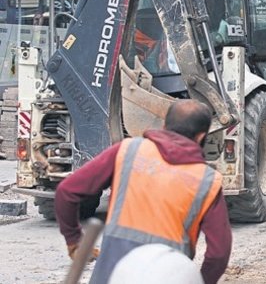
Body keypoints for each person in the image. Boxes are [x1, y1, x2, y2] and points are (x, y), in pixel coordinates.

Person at [54, 100, 232, 284]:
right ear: (201, 136)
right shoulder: (206, 180)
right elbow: (219, 253)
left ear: (164, 125)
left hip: (110, 274)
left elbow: (67, 192)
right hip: (168, 276)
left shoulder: (128, 151)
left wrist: (74, 239)